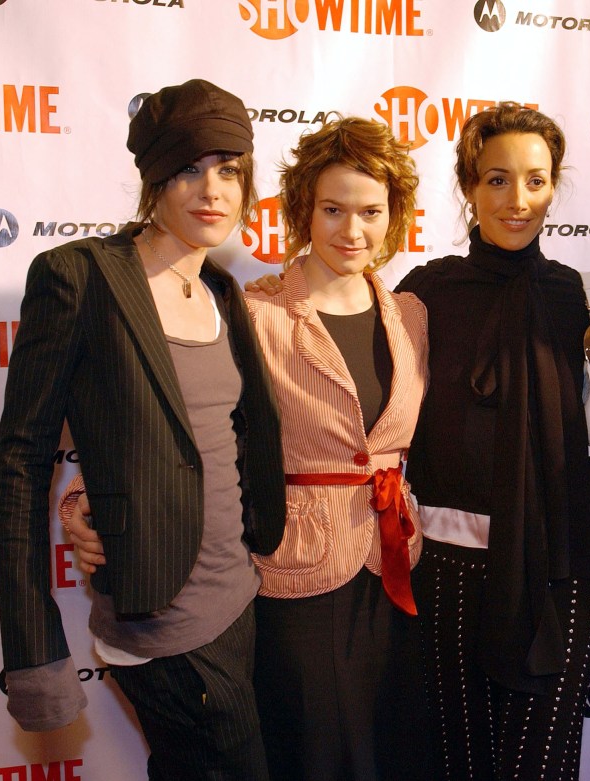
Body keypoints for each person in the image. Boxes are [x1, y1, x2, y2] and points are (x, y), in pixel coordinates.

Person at [68, 116, 430, 781]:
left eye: (371, 211)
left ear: (396, 215)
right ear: (302, 211)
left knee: (392, 749)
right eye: (333, 209)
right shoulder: (252, 313)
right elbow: (152, 420)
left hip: (394, 564)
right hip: (296, 570)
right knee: (312, 752)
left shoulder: (410, 314)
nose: (353, 231)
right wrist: (85, 500)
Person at [0, 79, 286, 781]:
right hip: (163, 622)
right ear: (152, 175)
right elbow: (22, 460)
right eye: (187, 168)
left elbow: (201, 437)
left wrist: (97, 496)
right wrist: (36, 650)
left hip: (239, 596)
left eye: (228, 170)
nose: (210, 189)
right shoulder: (81, 277)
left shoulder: (220, 288)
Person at [395, 103, 590, 781]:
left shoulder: (589, 299)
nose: (517, 201)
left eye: (535, 180)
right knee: (454, 766)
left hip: (557, 579)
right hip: (447, 576)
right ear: (468, 186)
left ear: (554, 186)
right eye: (496, 179)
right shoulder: (424, 292)